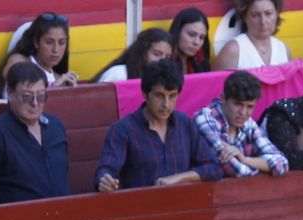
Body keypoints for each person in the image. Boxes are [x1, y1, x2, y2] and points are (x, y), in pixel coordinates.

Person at [95, 61, 223, 191]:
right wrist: (105, 181)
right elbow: (107, 170)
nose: (166, 104)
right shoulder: (123, 130)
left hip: (183, 205)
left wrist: (179, 178)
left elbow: (214, 167)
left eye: (172, 96)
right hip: (140, 207)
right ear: (145, 94)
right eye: (159, 96)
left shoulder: (185, 124)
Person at [0, 61, 71, 203]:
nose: (35, 103)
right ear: (10, 93)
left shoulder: (56, 126)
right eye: (27, 96)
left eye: (41, 96)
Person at [192, 69, 289, 177]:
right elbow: (235, 169)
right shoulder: (204, 118)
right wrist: (264, 169)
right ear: (223, 98)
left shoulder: (249, 124)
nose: (243, 113)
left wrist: (245, 159)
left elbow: (282, 163)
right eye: (238, 104)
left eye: (250, 106)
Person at [0, 12, 79, 94]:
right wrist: (54, 91)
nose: (56, 49)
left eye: (61, 43)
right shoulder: (18, 61)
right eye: (49, 42)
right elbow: (25, 95)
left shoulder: (59, 79)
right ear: (36, 42)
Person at [214, 0, 293, 69]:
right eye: (255, 15)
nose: (263, 21)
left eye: (268, 13)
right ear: (245, 17)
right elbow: (215, 85)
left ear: (277, 14)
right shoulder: (233, 51)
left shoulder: (283, 49)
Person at [99, 28, 175, 83]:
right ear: (142, 52)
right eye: (156, 54)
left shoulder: (163, 78)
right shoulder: (118, 74)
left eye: (167, 57)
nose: (162, 60)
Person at [170, 7, 213, 74]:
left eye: (201, 37)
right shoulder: (164, 63)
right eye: (191, 34)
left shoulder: (200, 62)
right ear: (177, 31)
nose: (196, 42)